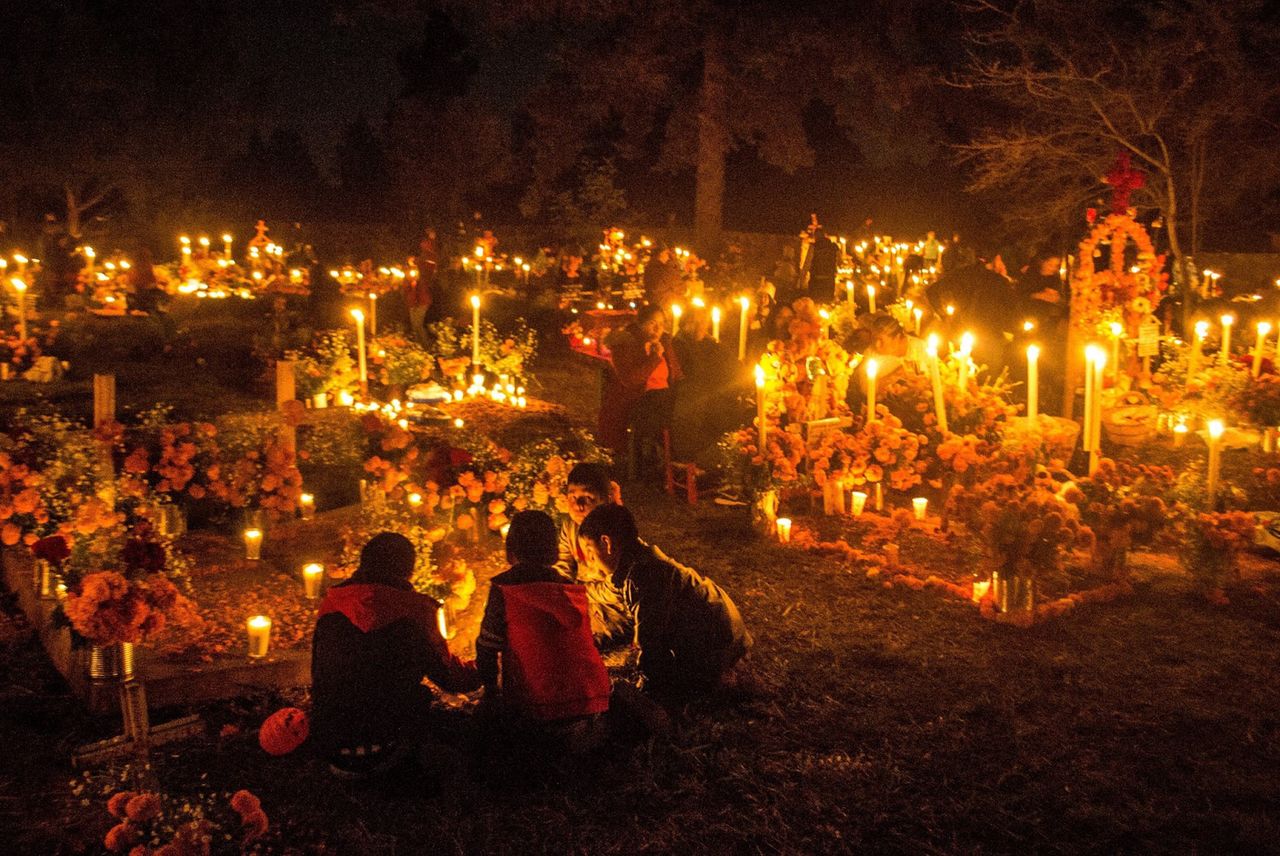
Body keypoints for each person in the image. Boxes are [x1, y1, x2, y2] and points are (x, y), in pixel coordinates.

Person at [311, 533, 480, 778]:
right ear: (409, 571)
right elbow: (452, 680)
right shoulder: (415, 609)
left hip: (332, 748)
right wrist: (487, 664)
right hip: (388, 748)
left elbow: (319, 675)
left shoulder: (332, 603)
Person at [578, 505, 752, 702]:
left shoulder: (644, 575)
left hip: (719, 652)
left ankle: (723, 682)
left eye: (590, 552)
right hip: (729, 642)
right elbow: (607, 591)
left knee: (620, 697)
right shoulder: (642, 561)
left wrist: (645, 689)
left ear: (606, 543)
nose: (591, 563)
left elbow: (651, 643)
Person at [475, 511, 611, 749]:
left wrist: (490, 692)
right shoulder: (572, 590)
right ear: (553, 551)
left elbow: (487, 646)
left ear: (510, 550)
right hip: (591, 705)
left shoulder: (505, 590)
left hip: (538, 711)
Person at [555, 462, 631, 643]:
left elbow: (617, 589)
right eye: (573, 498)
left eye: (587, 498)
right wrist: (559, 589)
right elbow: (563, 565)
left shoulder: (614, 531)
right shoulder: (570, 526)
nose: (578, 506)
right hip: (581, 597)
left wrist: (578, 591)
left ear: (605, 499)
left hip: (613, 609)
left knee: (578, 640)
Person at [599, 305, 683, 464]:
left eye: (662, 323)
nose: (658, 328)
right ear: (640, 324)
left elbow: (676, 375)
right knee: (669, 413)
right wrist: (654, 358)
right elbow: (630, 380)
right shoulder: (625, 344)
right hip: (636, 401)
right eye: (652, 323)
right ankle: (671, 460)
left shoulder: (664, 342)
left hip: (663, 401)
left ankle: (673, 460)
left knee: (685, 406)